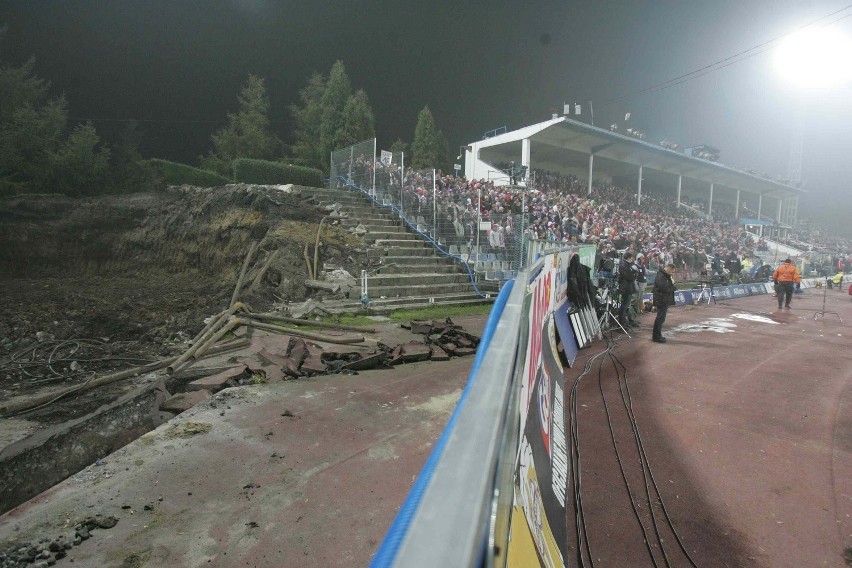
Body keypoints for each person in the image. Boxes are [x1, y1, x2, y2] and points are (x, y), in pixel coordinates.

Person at [652, 263, 676, 343]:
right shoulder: (661, 275)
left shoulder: (664, 275)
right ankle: (656, 337)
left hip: (663, 299)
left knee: (661, 318)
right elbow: (663, 287)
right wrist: (673, 287)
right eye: (672, 272)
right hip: (661, 299)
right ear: (669, 269)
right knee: (660, 318)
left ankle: (657, 335)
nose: (672, 273)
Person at [617, 252, 637, 329]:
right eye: (631, 257)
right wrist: (634, 274)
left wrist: (633, 274)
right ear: (628, 257)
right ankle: (622, 323)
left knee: (626, 306)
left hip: (628, 287)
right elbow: (630, 276)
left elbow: (633, 275)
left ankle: (624, 322)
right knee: (624, 306)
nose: (632, 259)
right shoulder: (623, 265)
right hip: (626, 288)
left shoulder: (627, 265)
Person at [630, 253, 647, 325]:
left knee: (638, 304)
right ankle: (631, 319)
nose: (643, 260)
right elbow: (633, 278)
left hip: (641, 287)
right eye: (642, 258)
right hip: (636, 287)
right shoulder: (634, 266)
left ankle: (634, 319)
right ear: (639, 258)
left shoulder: (642, 266)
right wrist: (636, 287)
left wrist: (655, 272)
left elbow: (646, 272)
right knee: (634, 302)